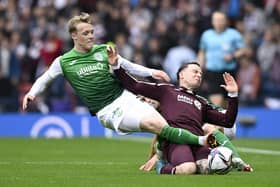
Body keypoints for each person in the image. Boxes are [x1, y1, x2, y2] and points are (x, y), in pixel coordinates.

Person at [22, 13, 215, 149]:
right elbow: (45, 78)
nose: (91, 36)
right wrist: (32, 93)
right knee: (155, 125)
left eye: (92, 32)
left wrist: (152, 72)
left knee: (163, 123)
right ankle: (201, 141)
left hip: (125, 97)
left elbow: (127, 65)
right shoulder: (63, 61)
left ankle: (175, 156)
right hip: (107, 110)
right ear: (74, 36)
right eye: (85, 33)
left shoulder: (102, 50)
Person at [110, 58, 253, 174]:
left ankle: (236, 159)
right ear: (181, 75)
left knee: (210, 166)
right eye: (195, 71)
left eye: (201, 74)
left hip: (199, 143)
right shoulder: (167, 91)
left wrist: (233, 95)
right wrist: (116, 66)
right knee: (188, 169)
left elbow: (227, 121)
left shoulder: (201, 102)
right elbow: (134, 85)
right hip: (175, 142)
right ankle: (162, 166)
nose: (199, 75)